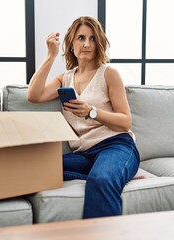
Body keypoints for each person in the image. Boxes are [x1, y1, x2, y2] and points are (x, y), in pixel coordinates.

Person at [27, 16, 140, 218]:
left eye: (92, 39)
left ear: (99, 44)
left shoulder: (109, 73)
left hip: (116, 145)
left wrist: (92, 112)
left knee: (102, 180)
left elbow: (125, 122)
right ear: (71, 43)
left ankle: (113, 172)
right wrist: (50, 56)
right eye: (81, 38)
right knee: (35, 167)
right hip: (84, 154)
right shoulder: (65, 78)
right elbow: (34, 95)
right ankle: (118, 173)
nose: (87, 44)